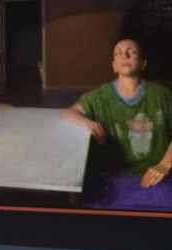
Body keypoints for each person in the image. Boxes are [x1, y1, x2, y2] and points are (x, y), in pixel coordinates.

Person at [62, 38, 172, 191]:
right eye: (118, 53)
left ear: (143, 63)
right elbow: (68, 114)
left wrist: (164, 164)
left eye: (131, 52)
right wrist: (87, 123)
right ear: (114, 65)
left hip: (157, 177)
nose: (124, 56)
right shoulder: (100, 96)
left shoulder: (162, 95)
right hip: (114, 177)